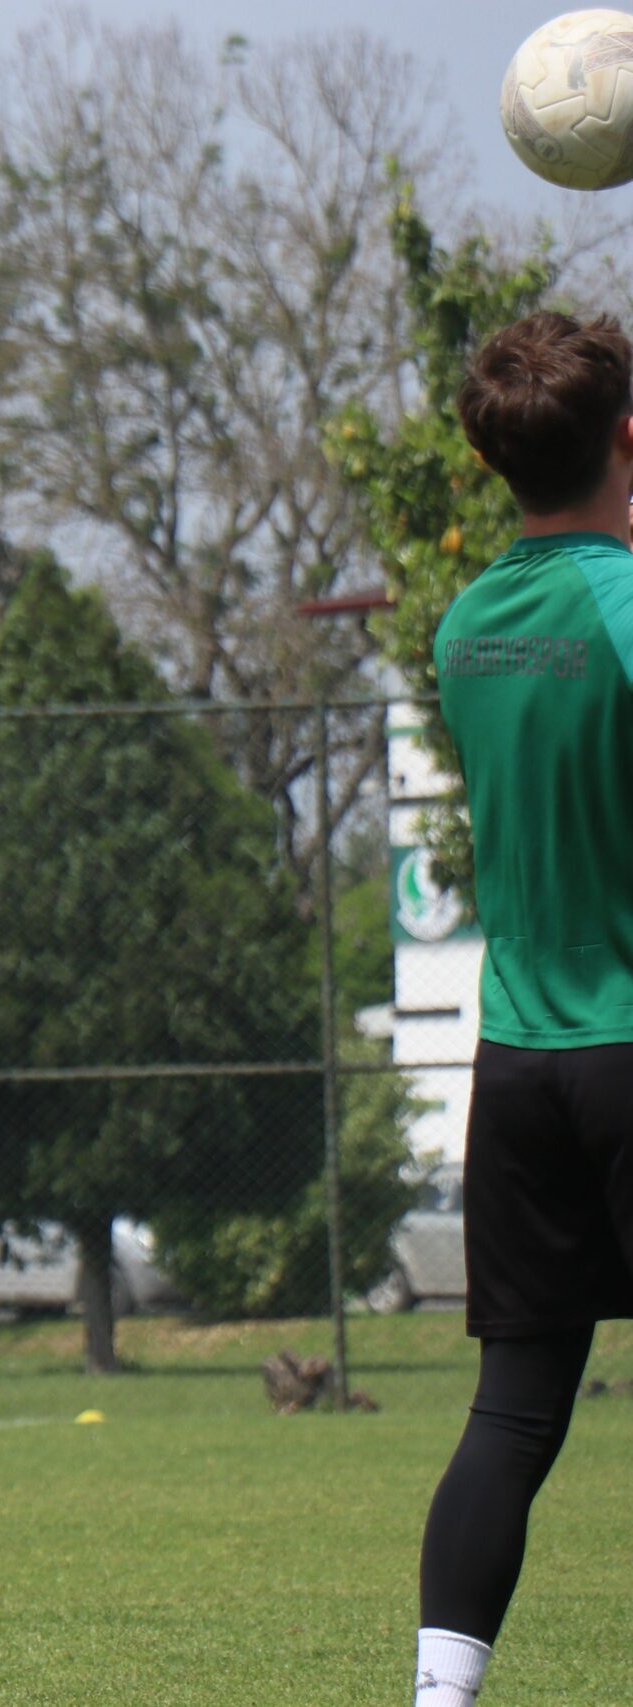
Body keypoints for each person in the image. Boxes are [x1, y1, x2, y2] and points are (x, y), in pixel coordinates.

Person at [414, 309, 633, 1706]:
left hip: (523, 1062)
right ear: (625, 439)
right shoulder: (621, 607)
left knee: (513, 1409)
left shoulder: (466, 623)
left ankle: (442, 1699)